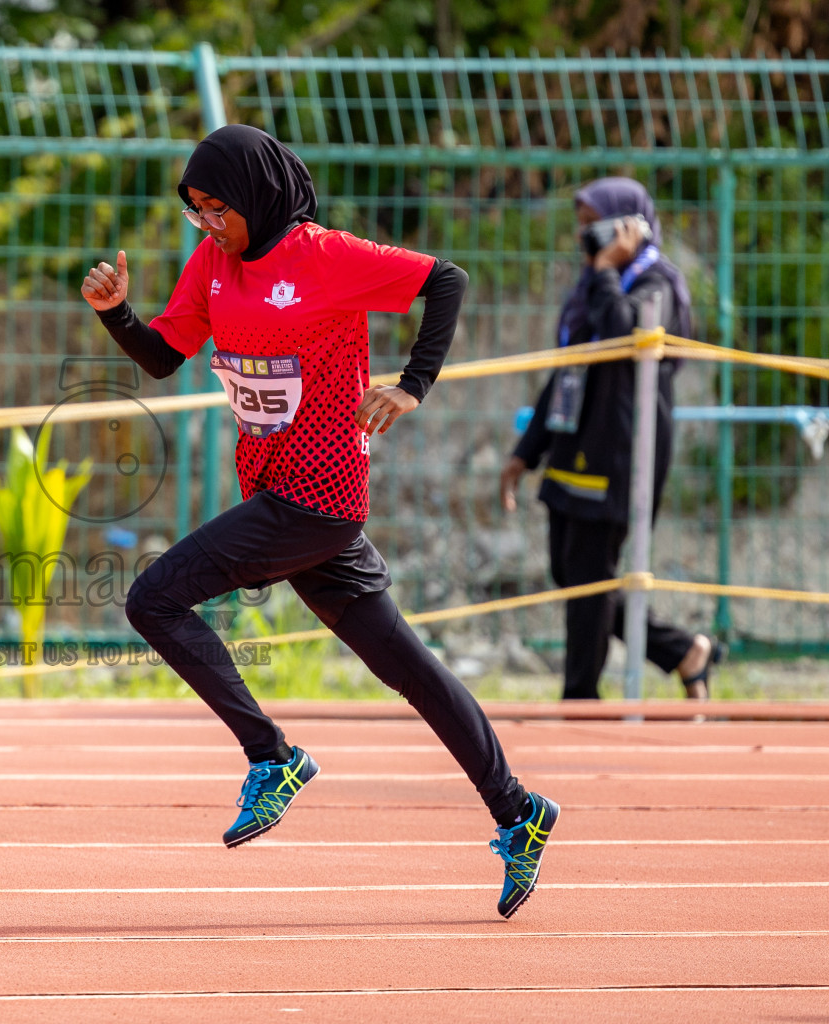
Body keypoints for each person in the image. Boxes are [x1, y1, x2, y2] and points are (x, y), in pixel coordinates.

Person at [81, 124, 558, 920]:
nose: (208, 224)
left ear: (258, 197)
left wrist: (413, 383)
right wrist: (116, 313)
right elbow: (165, 355)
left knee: (152, 599)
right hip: (279, 489)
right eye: (195, 210)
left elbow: (448, 279)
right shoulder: (214, 264)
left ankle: (272, 757)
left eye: (218, 208)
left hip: (318, 495)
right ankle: (519, 813)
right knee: (407, 668)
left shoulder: (324, 255)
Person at [499, 177, 723, 701]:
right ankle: (683, 651)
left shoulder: (657, 284)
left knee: (591, 577)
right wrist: (524, 453)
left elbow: (625, 334)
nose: (584, 237)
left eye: (592, 224)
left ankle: (580, 697)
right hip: (571, 445)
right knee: (571, 573)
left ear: (630, 227)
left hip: (623, 453)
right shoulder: (591, 286)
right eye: (580, 225)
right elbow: (567, 372)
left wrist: (603, 273)